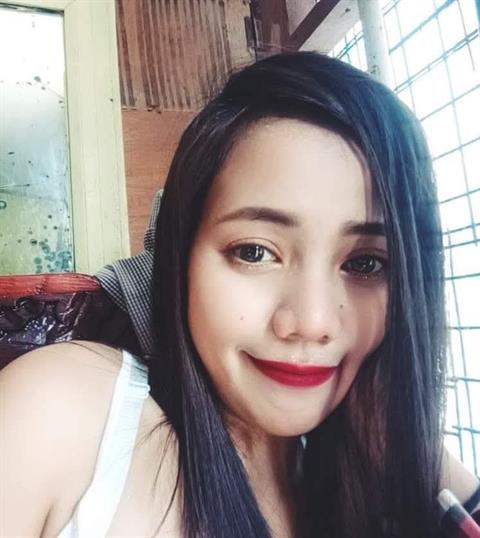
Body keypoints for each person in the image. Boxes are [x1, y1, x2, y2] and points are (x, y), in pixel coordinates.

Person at [1, 51, 479, 538]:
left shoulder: (372, 486)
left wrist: (416, 454)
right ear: (181, 257)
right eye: (254, 251)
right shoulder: (66, 415)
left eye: (365, 264)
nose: (312, 321)